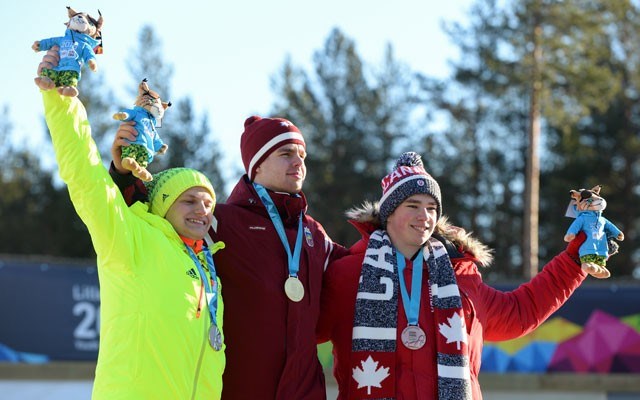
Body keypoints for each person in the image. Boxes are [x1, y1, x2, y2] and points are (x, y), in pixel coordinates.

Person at [317, 151, 593, 400]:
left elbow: (520, 312)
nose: (424, 215)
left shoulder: (461, 275)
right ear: (388, 213)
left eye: (431, 208)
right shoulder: (349, 274)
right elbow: (298, 330)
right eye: (412, 205)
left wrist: (574, 260)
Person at [110, 116, 348, 398]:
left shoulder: (314, 234)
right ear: (257, 164)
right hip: (237, 388)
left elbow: (354, 271)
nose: (298, 162)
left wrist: (387, 229)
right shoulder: (218, 221)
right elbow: (146, 224)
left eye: (302, 155)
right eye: (286, 154)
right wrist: (124, 175)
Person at [39, 89, 225, 398]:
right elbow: (86, 178)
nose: (202, 210)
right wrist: (62, 100)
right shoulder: (132, 239)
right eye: (190, 200)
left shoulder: (209, 270)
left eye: (208, 204)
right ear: (164, 205)